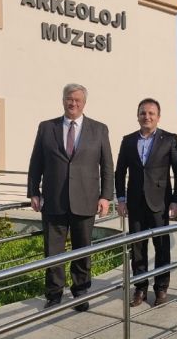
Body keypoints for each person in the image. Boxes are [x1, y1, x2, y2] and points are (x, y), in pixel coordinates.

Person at [27, 83, 114, 312]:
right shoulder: (47, 127)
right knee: (53, 251)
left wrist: (106, 196)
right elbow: (36, 162)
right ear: (63, 100)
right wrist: (33, 191)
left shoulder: (99, 129)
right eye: (69, 98)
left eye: (77, 100)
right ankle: (54, 294)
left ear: (84, 103)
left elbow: (107, 166)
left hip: (86, 199)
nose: (73, 103)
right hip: (53, 200)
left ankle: (81, 292)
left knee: (82, 249)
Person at [115, 98, 177, 307]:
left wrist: (176, 200)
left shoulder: (169, 139)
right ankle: (140, 288)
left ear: (158, 117)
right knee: (137, 247)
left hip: (160, 203)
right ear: (137, 116)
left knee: (162, 246)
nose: (146, 116)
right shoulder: (128, 140)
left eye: (151, 113)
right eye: (143, 113)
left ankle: (161, 288)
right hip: (135, 203)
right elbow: (120, 172)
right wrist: (121, 199)